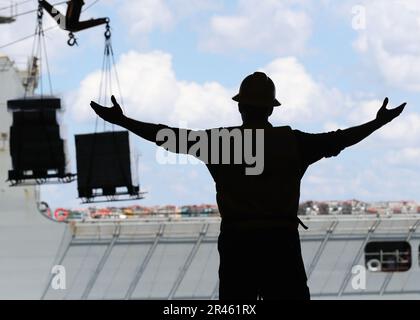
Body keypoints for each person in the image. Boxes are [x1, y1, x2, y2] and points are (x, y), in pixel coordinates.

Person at [90, 72, 406, 300]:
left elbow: (167, 136)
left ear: (240, 107)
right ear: (271, 108)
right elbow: (340, 139)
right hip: (280, 243)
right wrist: (378, 122)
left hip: (238, 243)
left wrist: (124, 120)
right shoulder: (292, 143)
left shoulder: (219, 143)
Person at [39, 0, 108, 32]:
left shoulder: (65, 24)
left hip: (69, 25)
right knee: (55, 13)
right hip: (70, 25)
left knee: (55, 13)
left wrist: (43, 3)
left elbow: (53, 12)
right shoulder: (66, 24)